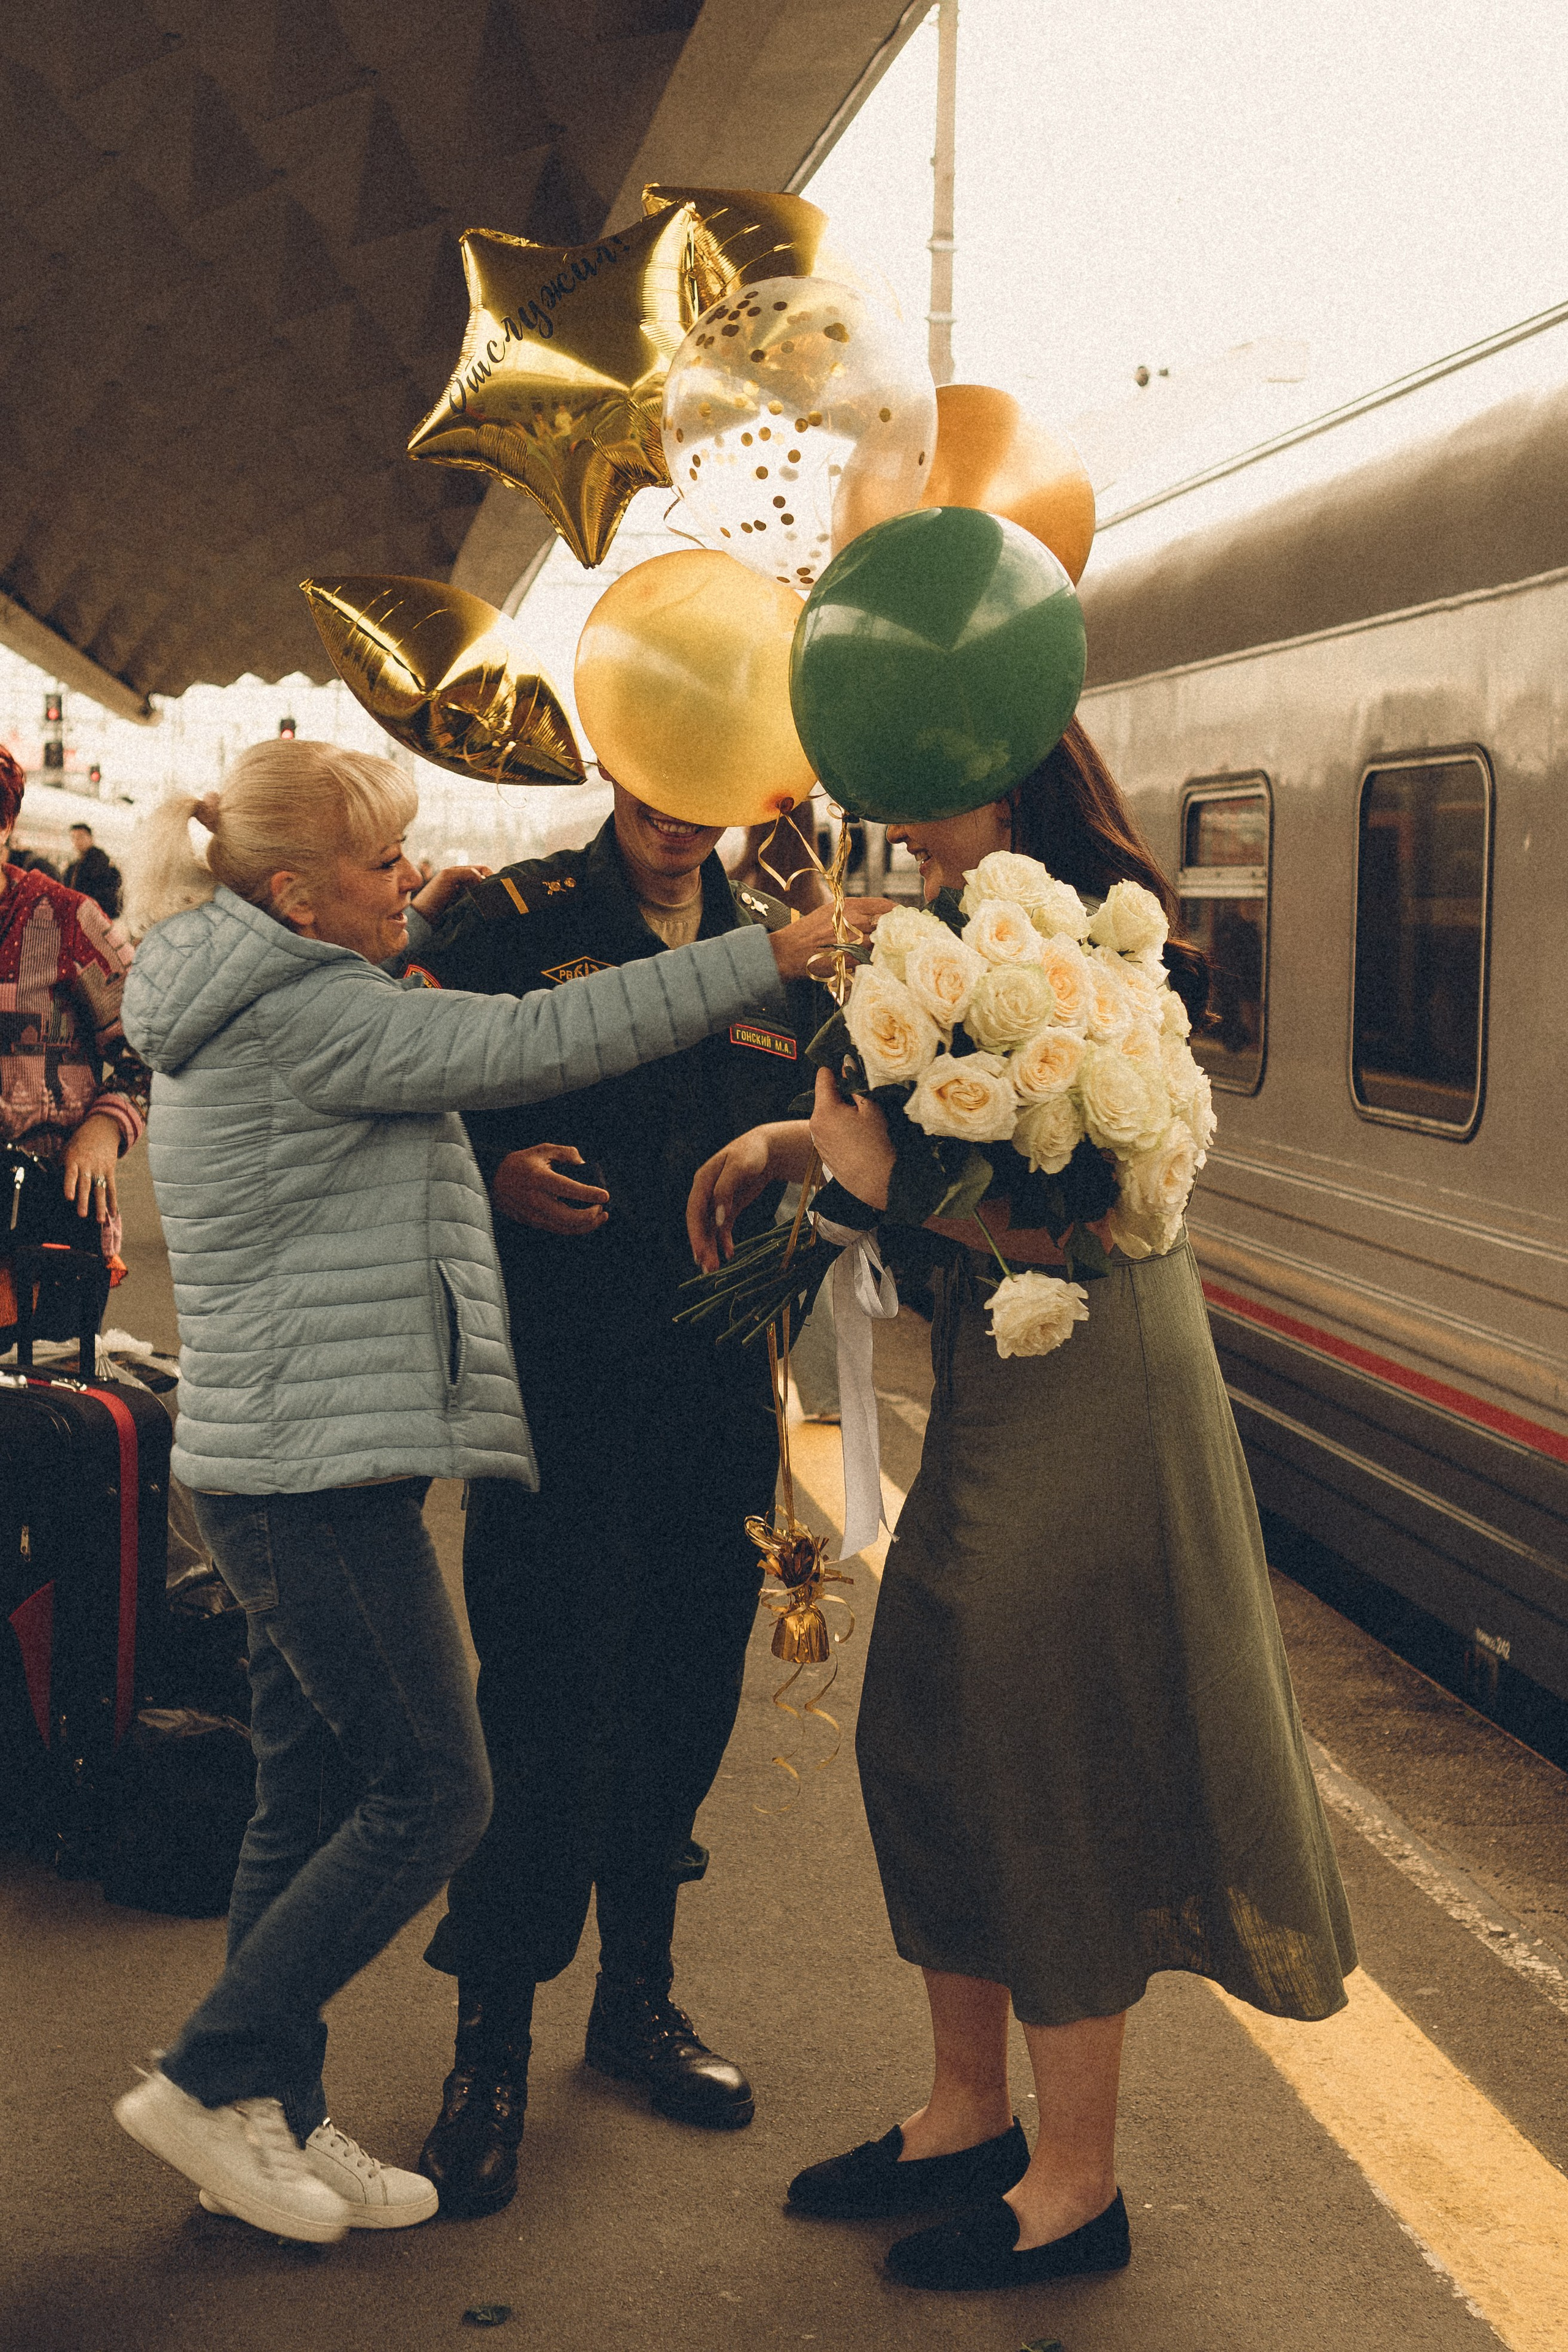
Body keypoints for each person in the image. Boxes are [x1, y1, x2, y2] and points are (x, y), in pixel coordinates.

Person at [109, 739, 861, 2248]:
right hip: (401, 1438)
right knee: (459, 1774)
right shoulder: (349, 989)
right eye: (385, 866)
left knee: (330, 1781)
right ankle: (247, 2073)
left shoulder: (285, 976)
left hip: (593, 1405)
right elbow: (527, 1048)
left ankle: (272, 2110)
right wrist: (752, 957)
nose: (418, 879)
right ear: (297, 892)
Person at [687, 720, 1355, 2293]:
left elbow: (1070, 1225)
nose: (889, 834)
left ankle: (1073, 2181)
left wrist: (860, 1188)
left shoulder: (1081, 941)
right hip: (995, 1390)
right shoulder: (946, 924)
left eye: (917, 803)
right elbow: (928, 1147)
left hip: (1087, 1380)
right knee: (922, 1722)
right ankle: (964, 2112)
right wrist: (801, 1138)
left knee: (1037, 1747)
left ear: (998, 772)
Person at [407, 782, 889, 2217]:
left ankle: (634, 2002)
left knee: (680, 1686)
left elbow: (833, 1136)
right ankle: (487, 2042)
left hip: (710, 1388)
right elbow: (390, 1092)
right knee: (545, 1698)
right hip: (554, 1382)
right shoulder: (511, 920)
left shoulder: (784, 952)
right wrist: (485, 1170)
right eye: (655, 777)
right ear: (617, 758)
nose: (677, 813)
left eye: (707, 785)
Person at [0, 748, 148, 1329]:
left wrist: (104, 1127)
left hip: (44, 1220)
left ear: (5, 824)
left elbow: (153, 1052)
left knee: (37, 1403)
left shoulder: (69, 921)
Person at [62, 821, 123, 920]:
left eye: (81, 837)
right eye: (73, 838)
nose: (77, 841)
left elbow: (110, 894)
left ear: (91, 838)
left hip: (98, 918)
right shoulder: (75, 866)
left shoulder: (102, 863)